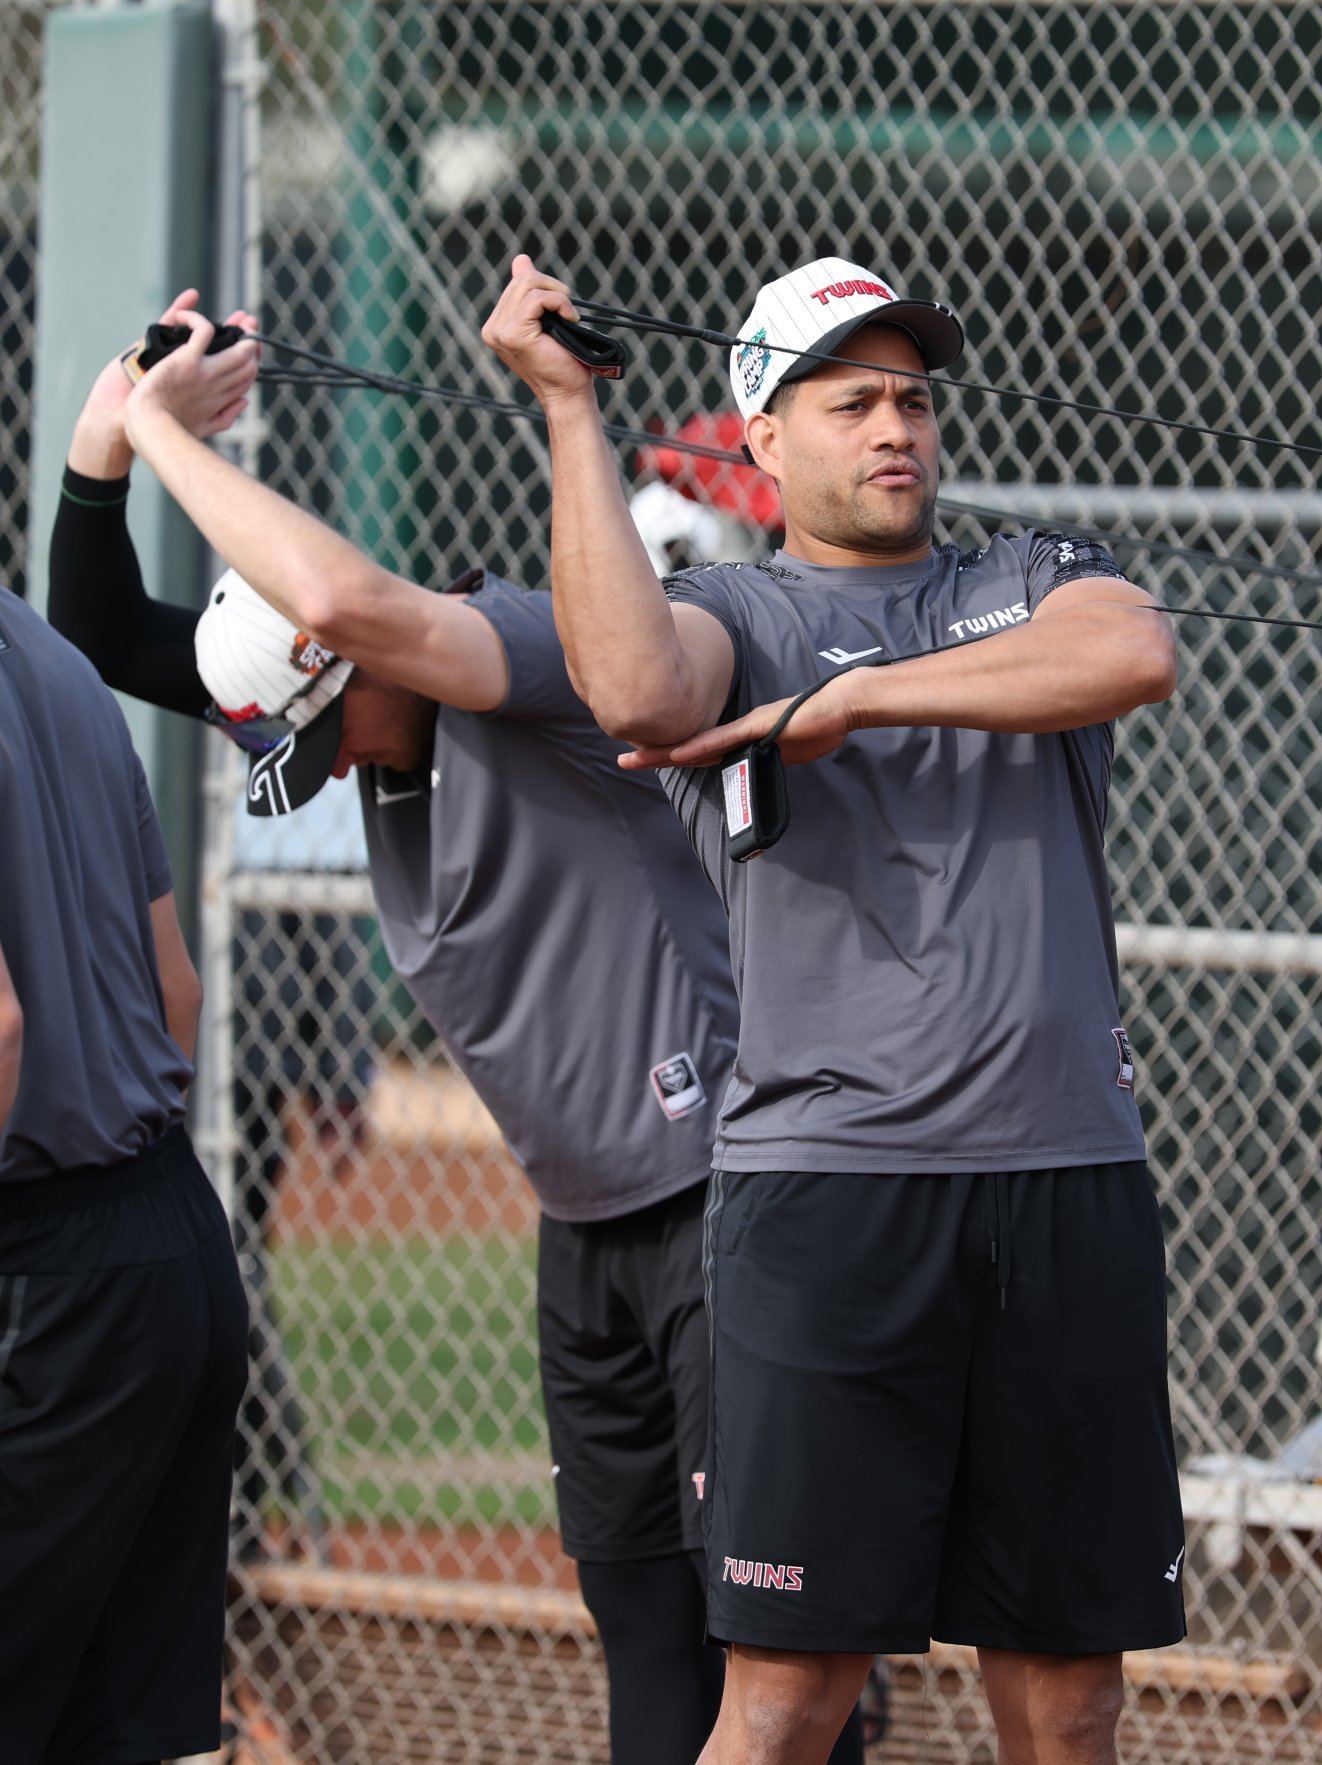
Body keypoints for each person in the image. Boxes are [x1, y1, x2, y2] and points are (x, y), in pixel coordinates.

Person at [50, 293, 867, 1765]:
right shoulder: (314, 687)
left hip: (728, 1193)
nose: (321, 762)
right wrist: (106, 437)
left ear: (351, 666)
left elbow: (358, 607)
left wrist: (173, 440)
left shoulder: (518, 663)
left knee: (768, 1647)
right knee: (636, 1623)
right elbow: (99, 631)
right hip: (591, 1222)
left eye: (318, 727)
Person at [483, 251, 1187, 1765]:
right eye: (852, 398)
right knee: (792, 1693)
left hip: (1066, 1181)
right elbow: (634, 695)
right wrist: (567, 412)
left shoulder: (1029, 574)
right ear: (764, 438)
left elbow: (1135, 648)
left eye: (915, 399)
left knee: (1070, 1692)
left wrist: (857, 702)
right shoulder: (735, 607)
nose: (897, 426)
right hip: (830, 1199)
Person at [0, 586, 248, 1765]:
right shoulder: (51, 659)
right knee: (118, 1729)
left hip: (41, 1268)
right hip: (166, 1235)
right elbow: (177, 992)